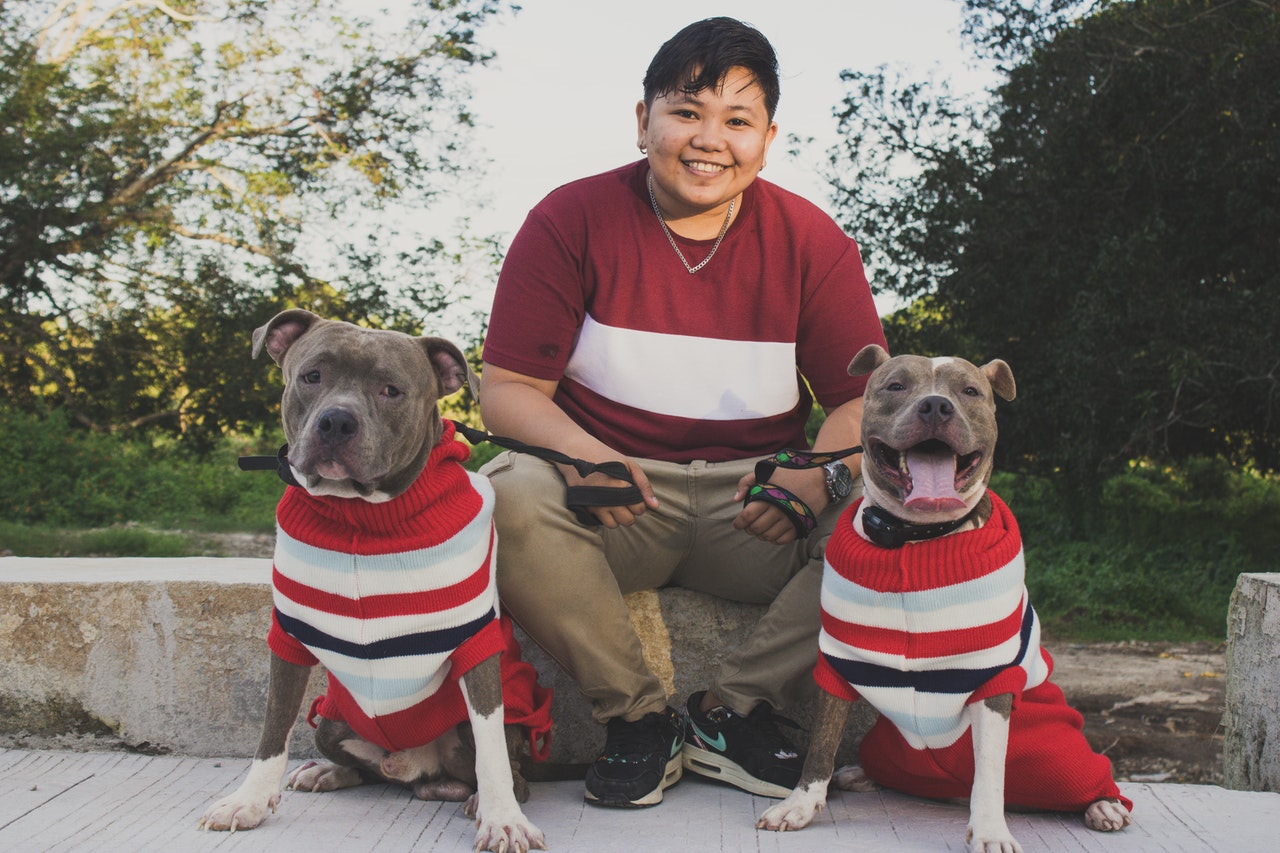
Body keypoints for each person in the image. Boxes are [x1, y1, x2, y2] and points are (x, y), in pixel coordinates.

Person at [478, 16, 887, 809]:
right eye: (686, 111)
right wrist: (582, 454)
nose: (709, 139)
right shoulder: (569, 219)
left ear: (767, 138)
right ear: (643, 122)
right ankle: (636, 719)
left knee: (882, 511)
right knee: (507, 495)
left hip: (757, 507)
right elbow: (508, 389)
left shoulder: (812, 240)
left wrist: (813, 476)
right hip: (620, 500)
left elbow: (861, 400)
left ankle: (731, 712)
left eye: (737, 120)